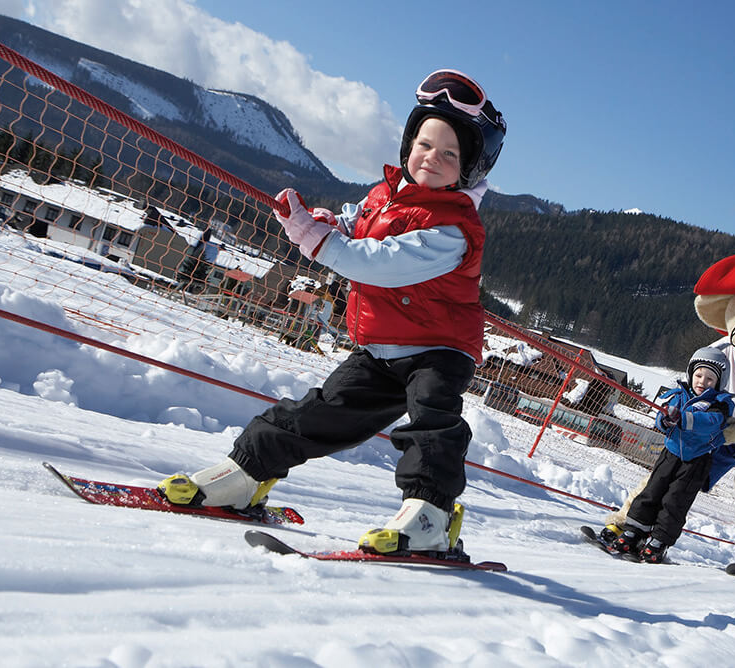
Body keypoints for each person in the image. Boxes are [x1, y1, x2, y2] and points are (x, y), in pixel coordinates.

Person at [158, 69, 506, 557]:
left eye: (450, 154)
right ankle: (245, 474)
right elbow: (353, 222)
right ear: (408, 142)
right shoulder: (384, 195)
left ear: (468, 170)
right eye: (424, 144)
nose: (432, 159)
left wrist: (315, 238)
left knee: (430, 423)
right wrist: (325, 221)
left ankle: (431, 516)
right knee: (318, 412)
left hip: (438, 351)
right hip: (381, 349)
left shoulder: (454, 230)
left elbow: (378, 264)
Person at [600, 347, 734, 563]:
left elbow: (710, 424)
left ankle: (659, 541)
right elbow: (662, 415)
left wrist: (684, 419)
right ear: (691, 375)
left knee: (675, 501)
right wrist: (664, 420)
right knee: (651, 492)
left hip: (695, 462)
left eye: (710, 379)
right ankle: (635, 531)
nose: (702, 381)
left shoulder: (719, 404)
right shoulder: (680, 395)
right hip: (670, 454)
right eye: (698, 375)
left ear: (718, 383)